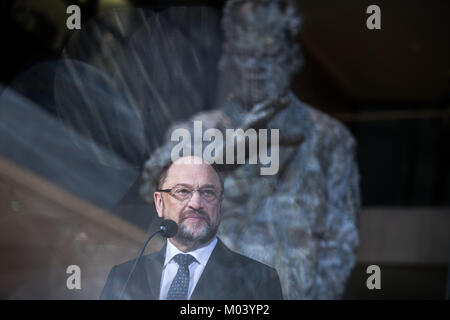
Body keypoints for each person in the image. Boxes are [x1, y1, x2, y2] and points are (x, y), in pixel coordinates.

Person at [100, 156, 283, 300]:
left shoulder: (260, 281)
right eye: (183, 191)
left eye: (208, 192)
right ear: (159, 203)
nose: (196, 203)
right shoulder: (123, 276)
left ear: (220, 204)